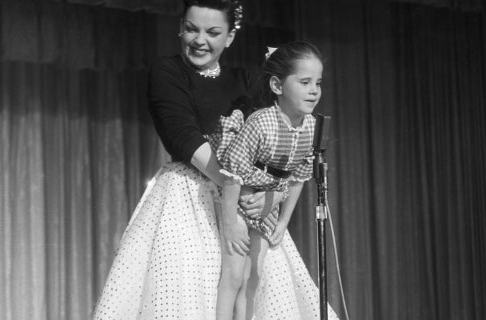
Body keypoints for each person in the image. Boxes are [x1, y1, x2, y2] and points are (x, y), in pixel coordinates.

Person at [91, 1, 286, 319]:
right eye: (192, 29)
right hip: (187, 199)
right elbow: (185, 138)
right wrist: (238, 187)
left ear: (230, 37)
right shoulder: (168, 72)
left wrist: (266, 192)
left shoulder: (245, 81)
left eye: (212, 32)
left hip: (244, 202)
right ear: (180, 27)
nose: (199, 40)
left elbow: (269, 144)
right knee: (189, 293)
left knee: (251, 291)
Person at [210, 41, 340, 320]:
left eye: (318, 82)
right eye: (305, 82)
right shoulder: (261, 122)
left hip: (270, 200)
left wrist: (283, 222)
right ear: (277, 86)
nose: (314, 90)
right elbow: (233, 174)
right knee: (234, 272)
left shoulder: (311, 128)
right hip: (241, 194)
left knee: (252, 274)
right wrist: (231, 221)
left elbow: (298, 178)